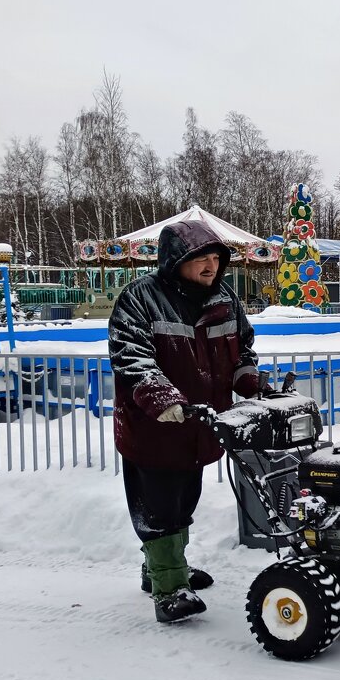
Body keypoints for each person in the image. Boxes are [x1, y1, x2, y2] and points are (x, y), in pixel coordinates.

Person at [108, 221, 262, 623]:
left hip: (199, 426)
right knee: (159, 508)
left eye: (215, 259)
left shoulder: (225, 298)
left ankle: (160, 568)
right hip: (153, 427)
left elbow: (243, 345)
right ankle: (170, 587)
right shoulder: (140, 298)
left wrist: (246, 377)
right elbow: (131, 356)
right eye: (201, 260)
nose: (211, 267)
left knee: (184, 501)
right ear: (176, 261)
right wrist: (161, 399)